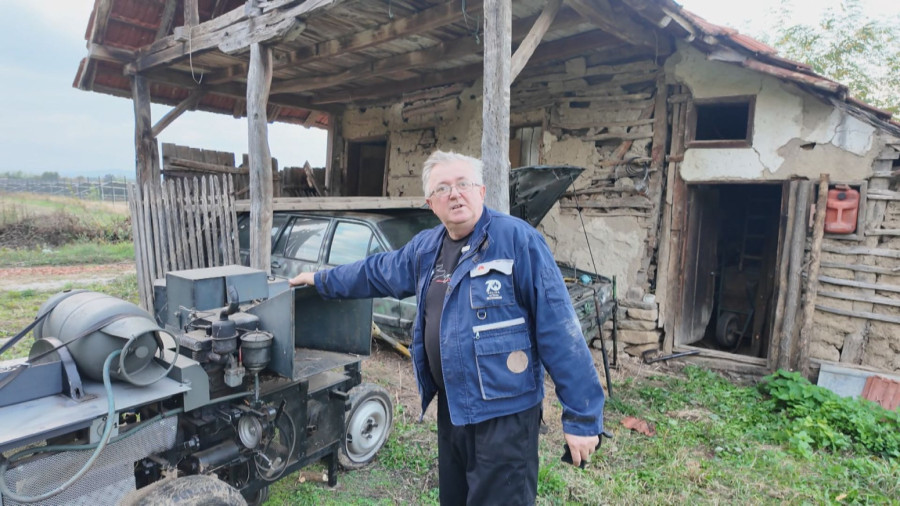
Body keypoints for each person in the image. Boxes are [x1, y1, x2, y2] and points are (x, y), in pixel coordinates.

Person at [289, 150, 605, 505]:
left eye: (462, 184)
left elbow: (560, 330)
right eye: (442, 188)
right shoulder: (427, 248)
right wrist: (321, 279)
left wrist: (582, 417)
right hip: (453, 408)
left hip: (505, 416)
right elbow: (376, 271)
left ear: (481, 191)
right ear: (431, 203)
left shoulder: (518, 241)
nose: (454, 194)